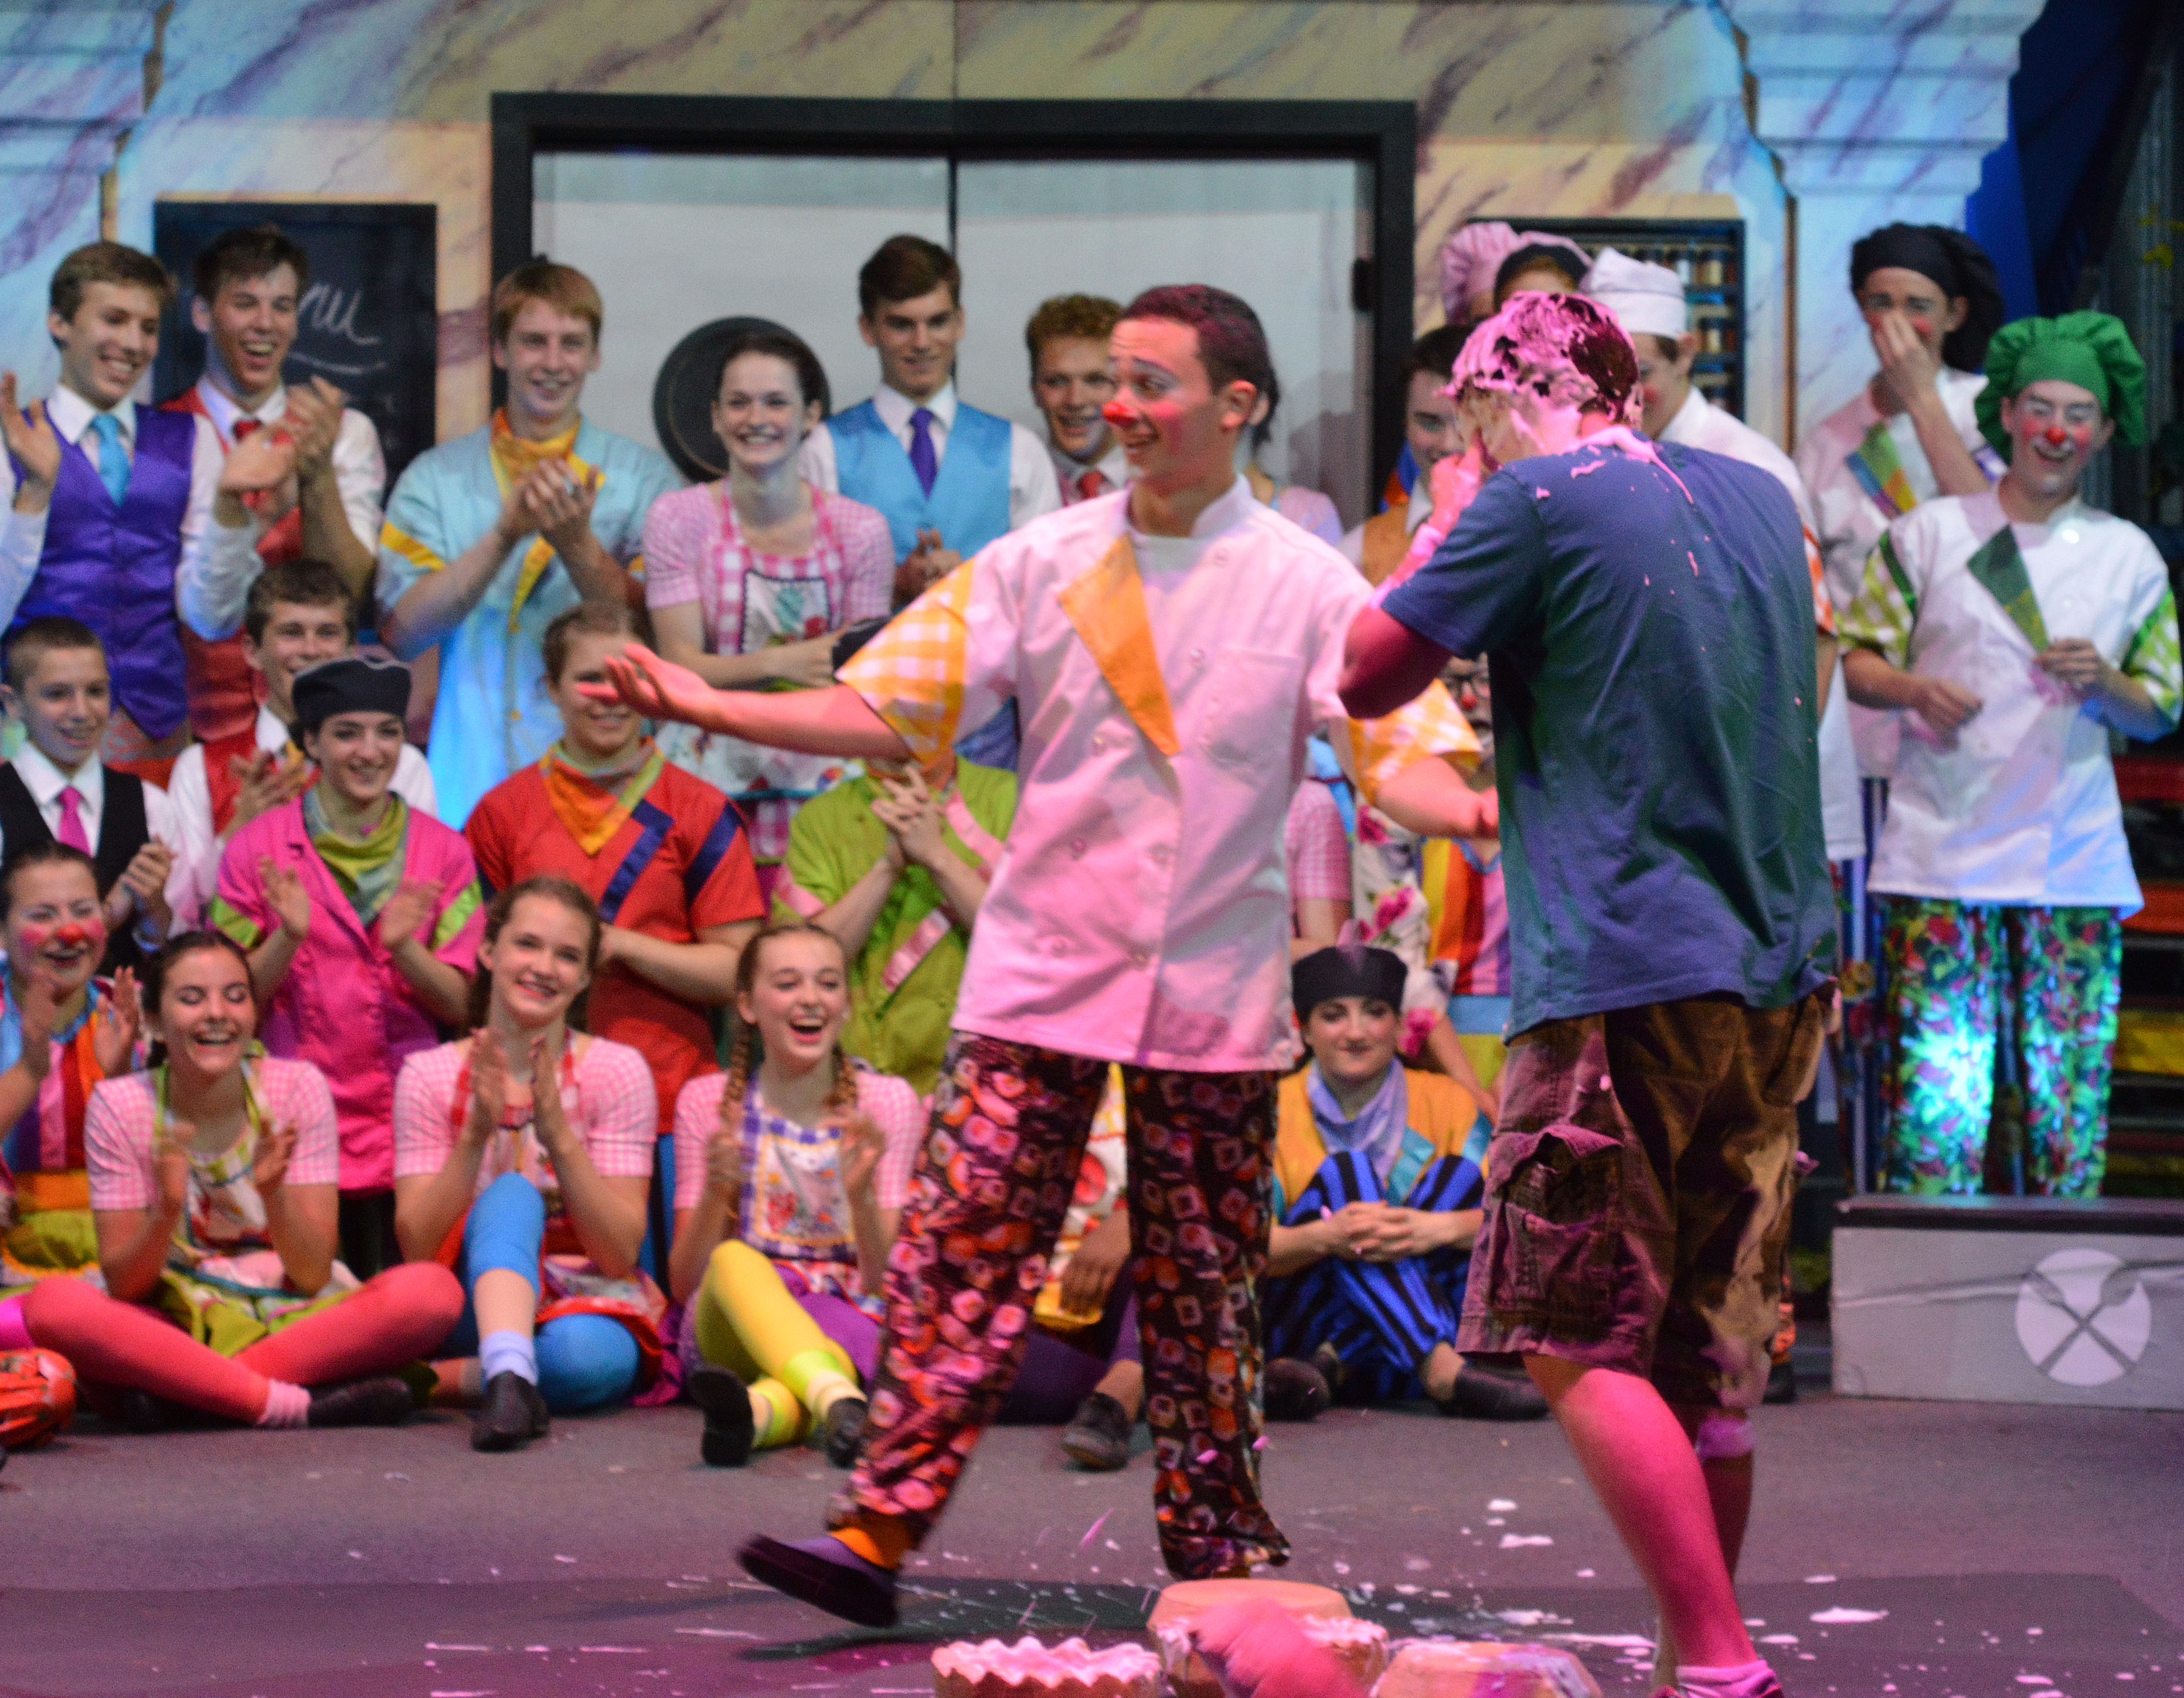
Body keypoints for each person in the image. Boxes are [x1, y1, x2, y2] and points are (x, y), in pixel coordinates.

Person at [588, 281, 1484, 1628]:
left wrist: (1482, 808)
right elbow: (882, 702)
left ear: (1237, 407)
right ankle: (878, 1528)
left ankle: (1223, 1553)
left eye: (1150, 384)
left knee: (1205, 1284)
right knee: (957, 1254)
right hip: (1037, 976)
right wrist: (705, 695)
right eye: (1110, 379)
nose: (1116, 407)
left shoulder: (1308, 580)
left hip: (1215, 1000)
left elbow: (1398, 758)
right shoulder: (1043, 557)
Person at [1342, 291, 1836, 1698]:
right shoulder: (1750, 492)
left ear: (1509, 400)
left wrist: (1451, 517)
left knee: (1566, 1330)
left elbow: (1364, 677)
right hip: (1773, 964)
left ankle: (1723, 1660)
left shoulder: (1533, 495)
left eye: (1465, 417)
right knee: (1708, 1333)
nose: (1464, 439)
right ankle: (1700, 1647)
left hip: (1623, 964)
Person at [1838, 311, 2175, 1199]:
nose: (2055, 432)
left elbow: (2157, 710)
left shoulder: (2127, 556)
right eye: (2039, 408)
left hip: (2069, 866)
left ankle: (2063, 1292)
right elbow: (1858, 661)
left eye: (2076, 414)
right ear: (2009, 416)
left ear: (2103, 432)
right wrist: (1914, 689)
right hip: (1940, 859)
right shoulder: (1928, 534)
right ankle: (1930, 1312)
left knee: (2065, 1115)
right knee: (1934, 1109)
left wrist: (2105, 680)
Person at [19, 929, 463, 1431]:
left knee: (432, 1291)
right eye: (192, 998)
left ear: (254, 1013)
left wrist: (275, 1195)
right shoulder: (120, 1105)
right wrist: (166, 1208)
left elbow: (314, 1272)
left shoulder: (297, 1087)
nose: (217, 1013)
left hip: (293, 1312)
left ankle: (192, 1395)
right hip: (175, 1318)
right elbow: (126, 1284)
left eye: (235, 996)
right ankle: (287, 1401)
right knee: (56, 1306)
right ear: (158, 1023)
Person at [376, 261, 681, 827]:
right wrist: (502, 537)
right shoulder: (434, 478)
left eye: (572, 344)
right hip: (470, 776)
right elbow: (402, 629)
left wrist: (578, 547)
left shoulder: (645, 479)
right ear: (499, 350)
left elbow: (662, 635)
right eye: (533, 342)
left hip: (608, 784)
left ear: (595, 355)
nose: (553, 363)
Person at [209, 656, 482, 1279]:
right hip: (294, 1120)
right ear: (310, 741)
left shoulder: (445, 851)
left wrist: (408, 950)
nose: (370, 750)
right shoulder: (257, 848)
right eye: (347, 732)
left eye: (387, 731)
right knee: (313, 1303)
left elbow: (464, 1004)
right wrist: (288, 937)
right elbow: (226, 1002)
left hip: (414, 1125)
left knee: (408, 1303)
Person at [1584, 247, 1852, 853]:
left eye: (1642, 372)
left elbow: (1815, 638)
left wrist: (1760, 791)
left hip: (1753, 802)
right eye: (1605, 377)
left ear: (1688, 354)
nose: (1624, 395)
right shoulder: (1599, 462)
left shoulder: (1749, 470)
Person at [464, 604, 766, 1138]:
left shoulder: (701, 810)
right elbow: (478, 968)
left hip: (671, 1098)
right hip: (528, 1098)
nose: (610, 696)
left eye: (628, 679)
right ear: (552, 689)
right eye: (589, 679)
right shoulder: (501, 813)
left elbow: (739, 974)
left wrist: (623, 947)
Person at [392, 877, 659, 1452]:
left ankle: (450, 1383)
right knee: (512, 1194)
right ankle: (507, 1371)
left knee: (587, 1359)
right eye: (528, 945)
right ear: (489, 952)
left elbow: (618, 1253)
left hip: (576, 1299)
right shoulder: (428, 1074)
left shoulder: (617, 1069)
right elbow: (417, 1247)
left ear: (586, 976)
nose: (545, 966)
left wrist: (559, 1134)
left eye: (567, 956)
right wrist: (474, 1138)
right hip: (468, 1300)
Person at [0, 242, 282, 779]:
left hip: (157, 726)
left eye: (148, 327)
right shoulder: (13, 440)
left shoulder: (190, 437)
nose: (133, 343)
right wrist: (34, 496)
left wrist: (230, 513)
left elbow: (209, 616)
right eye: (114, 319)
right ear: (60, 322)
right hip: (33, 726)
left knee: (154, 862)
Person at [664, 920, 923, 1466]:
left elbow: (886, 1283)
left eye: (828, 984)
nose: (810, 999)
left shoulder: (889, 1101)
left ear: (847, 1005)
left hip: (845, 1316)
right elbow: (687, 1284)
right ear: (749, 1006)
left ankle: (759, 1416)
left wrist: (862, 1198)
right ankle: (841, 1398)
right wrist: (717, 1190)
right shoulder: (707, 1103)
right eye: (787, 983)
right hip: (731, 1326)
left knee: (836, 1337)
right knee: (734, 1259)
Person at [642, 326, 893, 879]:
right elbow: (678, 671)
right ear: (715, 415)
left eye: (777, 402)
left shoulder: (861, 530)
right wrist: (783, 663)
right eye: (739, 402)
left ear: (810, 417)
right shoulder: (677, 519)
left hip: (828, 785)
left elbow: (866, 692)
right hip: (707, 782)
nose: (757, 418)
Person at [1259, 945, 1542, 1422]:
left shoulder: (1446, 1099)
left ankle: (1337, 1360)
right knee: (1346, 1173)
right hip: (1302, 1318)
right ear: (1305, 1029)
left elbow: (1519, 1223)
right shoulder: (1270, 1109)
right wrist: (1328, 1237)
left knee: (1458, 1178)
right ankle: (1439, 1368)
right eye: (1333, 1016)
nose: (1355, 1032)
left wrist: (1433, 1229)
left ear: (1398, 1024)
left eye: (1374, 1013)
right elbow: (1244, 1248)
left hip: (1319, 1366)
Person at [1796, 224, 2008, 787]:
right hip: (1862, 713)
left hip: (1973, 699)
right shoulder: (1829, 441)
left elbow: (1990, 534)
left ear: (1954, 315)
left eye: (1917, 306)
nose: (1896, 322)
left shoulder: (1990, 413)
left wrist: (1920, 398)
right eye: (1880, 303)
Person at [161, 223, 385, 744]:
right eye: (245, 303)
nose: (266, 324)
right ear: (202, 313)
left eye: (282, 306)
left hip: (318, 730)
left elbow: (351, 588)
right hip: (186, 730)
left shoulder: (346, 434)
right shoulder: (160, 435)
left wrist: (316, 472)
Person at [166, 558, 437, 924]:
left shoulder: (401, 765)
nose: (311, 650)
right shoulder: (199, 769)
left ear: (352, 651)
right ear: (252, 651)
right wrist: (236, 836)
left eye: (327, 633)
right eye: (291, 632)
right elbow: (183, 922)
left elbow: (422, 899)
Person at [798, 235, 1062, 608]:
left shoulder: (1021, 451)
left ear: (960, 323)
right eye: (902, 325)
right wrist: (889, 586)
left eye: (937, 322)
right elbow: (804, 593)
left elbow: (1046, 590)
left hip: (985, 665)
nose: (922, 343)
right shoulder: (823, 451)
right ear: (868, 329)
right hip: (864, 664)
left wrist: (973, 581)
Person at [774, 748, 1015, 1097]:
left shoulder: (1010, 798)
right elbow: (800, 964)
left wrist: (937, 857)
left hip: (988, 1085)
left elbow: (1035, 949)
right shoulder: (821, 819)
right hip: (858, 1084)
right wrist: (887, 868)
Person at [0, 619, 183, 971]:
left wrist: (152, 911)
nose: (82, 712)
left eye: (96, 692)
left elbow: (169, 956)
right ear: (13, 703)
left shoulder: (149, 804)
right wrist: (107, 917)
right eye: (58, 694)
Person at [0, 843, 143, 1282]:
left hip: (115, 1245)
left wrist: (122, 1077)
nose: (69, 932)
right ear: (3, 932)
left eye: (83, 910)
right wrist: (30, 1066)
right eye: (42, 914)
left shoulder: (129, 1012)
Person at [1343, 324, 1469, 585]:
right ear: (1404, 422)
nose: (1449, 444)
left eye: (1467, 423)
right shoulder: (1357, 555)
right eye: (1429, 422)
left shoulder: (1544, 539)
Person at [1029, 294, 1127, 503]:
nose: (1075, 401)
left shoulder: (1165, 484)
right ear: (1035, 390)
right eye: (1057, 382)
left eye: (1096, 380)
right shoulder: (1009, 481)